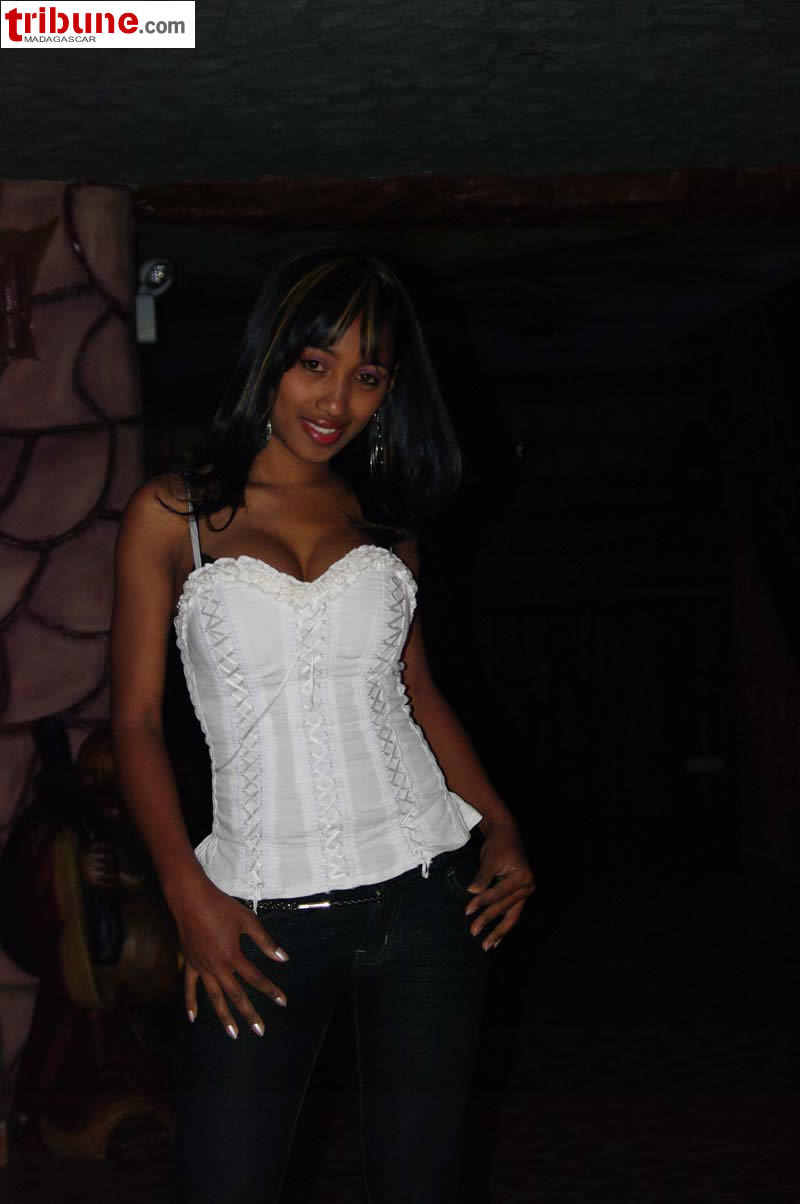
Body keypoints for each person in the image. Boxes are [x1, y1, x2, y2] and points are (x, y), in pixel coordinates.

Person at [110, 245, 535, 1204]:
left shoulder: (387, 526)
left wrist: (500, 823)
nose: (336, 399)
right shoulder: (173, 516)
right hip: (253, 918)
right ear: (271, 356)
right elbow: (133, 721)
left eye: (367, 376)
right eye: (316, 363)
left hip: (426, 905)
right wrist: (185, 894)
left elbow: (415, 692)